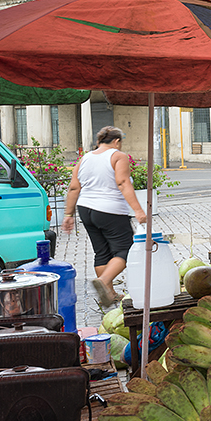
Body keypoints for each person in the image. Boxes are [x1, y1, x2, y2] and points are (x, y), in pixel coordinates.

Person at [61, 126, 147, 309]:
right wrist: (138, 210)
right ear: (116, 141)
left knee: (102, 252)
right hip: (110, 210)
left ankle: (109, 295)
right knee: (125, 250)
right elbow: (123, 182)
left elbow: (74, 187)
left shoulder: (84, 158)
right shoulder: (118, 156)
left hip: (86, 210)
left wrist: (68, 214)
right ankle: (104, 280)